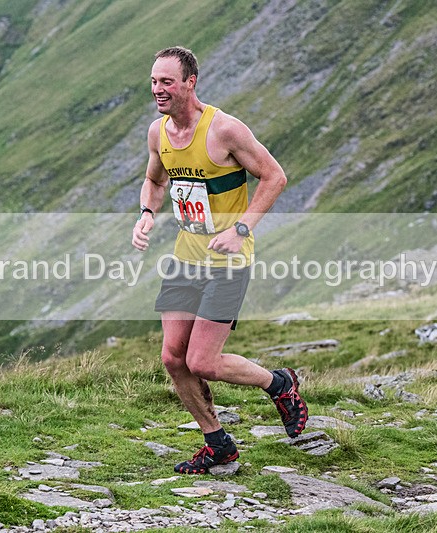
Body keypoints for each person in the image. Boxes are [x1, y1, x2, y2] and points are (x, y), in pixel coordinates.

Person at [131, 46, 308, 474]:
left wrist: (241, 228)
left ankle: (279, 384)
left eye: (167, 82)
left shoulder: (224, 130)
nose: (158, 89)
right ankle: (217, 443)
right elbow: (154, 180)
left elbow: (274, 176)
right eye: (154, 81)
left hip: (228, 261)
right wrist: (147, 214)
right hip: (184, 258)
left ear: (191, 82)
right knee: (173, 358)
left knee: (203, 362)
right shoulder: (158, 133)